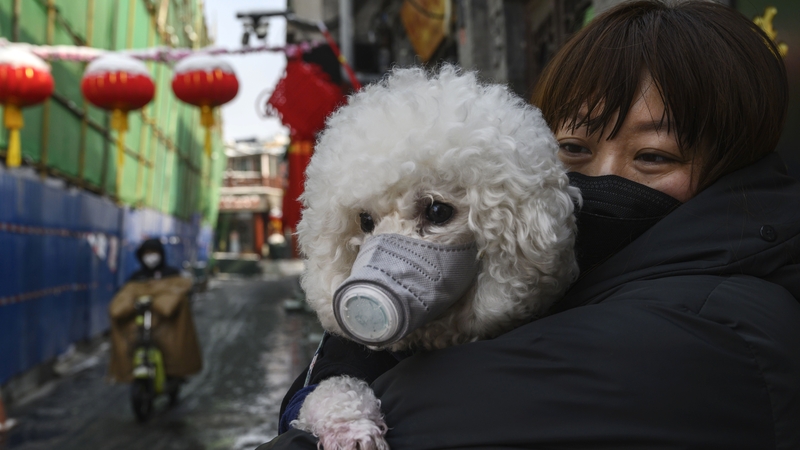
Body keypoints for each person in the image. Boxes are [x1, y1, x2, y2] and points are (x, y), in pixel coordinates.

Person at [261, 1, 799, 448]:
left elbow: (422, 418)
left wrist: (345, 377)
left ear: (736, 161)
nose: (603, 177)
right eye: (573, 148)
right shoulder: (577, 283)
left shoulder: (711, 330)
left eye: (654, 156)